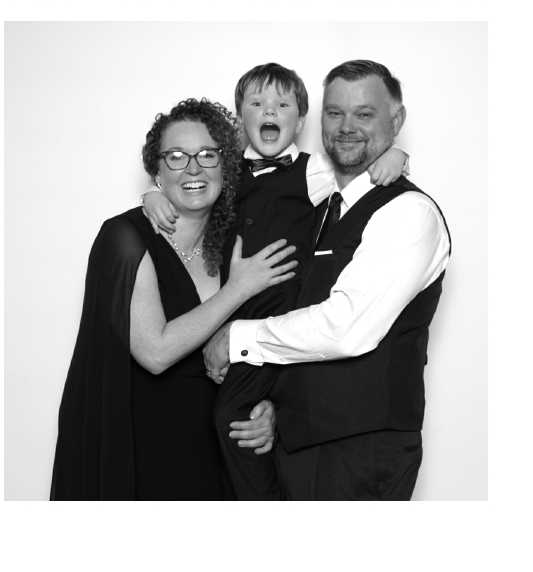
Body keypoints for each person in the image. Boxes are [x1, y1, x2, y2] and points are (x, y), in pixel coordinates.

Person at [144, 62, 409, 501]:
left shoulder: (314, 170)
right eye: (258, 103)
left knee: (232, 415)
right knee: (231, 418)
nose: (270, 111)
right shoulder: (227, 171)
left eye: (282, 105)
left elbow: (361, 168)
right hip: (230, 309)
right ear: (240, 119)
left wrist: (396, 155)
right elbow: (189, 184)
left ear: (300, 121)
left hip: (281, 313)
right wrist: (151, 193)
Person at [204, 61, 451, 502]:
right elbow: (299, 315)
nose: (346, 126)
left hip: (361, 454)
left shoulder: (407, 213)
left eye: (364, 113)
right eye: (335, 113)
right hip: (297, 448)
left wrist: (236, 337)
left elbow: (344, 328)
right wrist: (273, 408)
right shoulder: (320, 210)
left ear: (396, 121)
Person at [50, 97, 299, 499]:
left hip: (214, 457)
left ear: (225, 167)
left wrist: (267, 409)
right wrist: (237, 289)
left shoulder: (235, 245)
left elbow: (256, 346)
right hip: (139, 452)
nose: (194, 168)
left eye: (207, 154)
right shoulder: (124, 239)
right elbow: (155, 351)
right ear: (157, 172)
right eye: (177, 157)